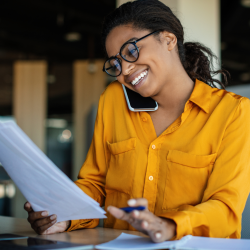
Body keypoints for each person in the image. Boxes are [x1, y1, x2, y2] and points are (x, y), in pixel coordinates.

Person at [24, 0, 250, 243]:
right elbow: (96, 183)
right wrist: (64, 214)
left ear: (168, 40)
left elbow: (225, 207)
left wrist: (170, 225)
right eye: (116, 64)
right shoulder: (113, 99)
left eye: (131, 51)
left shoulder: (233, 112)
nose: (125, 71)